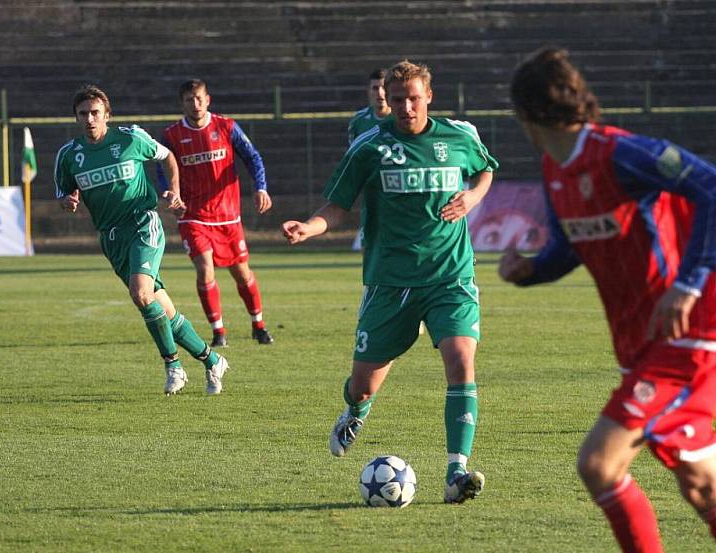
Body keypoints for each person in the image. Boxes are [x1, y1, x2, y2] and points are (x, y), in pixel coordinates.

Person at [500, 46, 716, 551]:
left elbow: (711, 186)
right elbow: (566, 249)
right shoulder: (554, 173)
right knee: (702, 486)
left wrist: (688, 284)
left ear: (525, 114)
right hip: (641, 344)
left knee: (599, 463)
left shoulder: (620, 152)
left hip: (688, 334)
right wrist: (530, 269)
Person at [282, 60, 498, 504]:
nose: (404, 106)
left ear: (428, 97)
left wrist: (472, 197)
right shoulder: (370, 146)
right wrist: (309, 227)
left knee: (461, 360)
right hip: (390, 282)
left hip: (450, 274)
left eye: (412, 98)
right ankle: (356, 410)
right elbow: (338, 205)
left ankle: (456, 472)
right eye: (396, 99)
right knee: (363, 384)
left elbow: (485, 170)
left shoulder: (459, 136)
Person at [54, 84, 228, 396]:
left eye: (95, 113)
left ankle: (173, 365)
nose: (90, 119)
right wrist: (67, 200)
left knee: (141, 294)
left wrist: (174, 189)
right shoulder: (69, 156)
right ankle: (212, 360)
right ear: (76, 118)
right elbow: (64, 191)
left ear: (107, 115)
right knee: (164, 311)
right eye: (83, 114)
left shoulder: (131, 138)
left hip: (143, 222)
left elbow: (168, 156)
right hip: (111, 237)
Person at [158, 79, 274, 348]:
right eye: (189, 100)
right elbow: (162, 167)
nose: (195, 104)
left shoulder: (227, 126)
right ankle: (218, 331)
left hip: (228, 215)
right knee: (205, 270)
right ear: (182, 103)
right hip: (193, 215)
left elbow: (252, 156)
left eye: (199, 98)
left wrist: (261, 188)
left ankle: (258, 325)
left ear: (208, 99)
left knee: (242, 273)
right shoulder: (172, 135)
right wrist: (168, 193)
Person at [347, 68, 393, 251]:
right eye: (375, 88)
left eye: (383, 87)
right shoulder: (359, 121)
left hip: (399, 183)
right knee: (372, 242)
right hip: (373, 189)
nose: (380, 93)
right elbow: (353, 157)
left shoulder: (403, 118)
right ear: (369, 92)